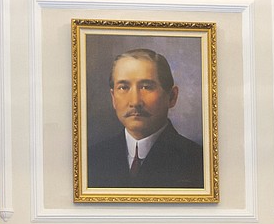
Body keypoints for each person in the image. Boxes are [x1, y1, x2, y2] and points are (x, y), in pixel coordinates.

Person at [87, 48, 204, 189]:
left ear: (172, 97)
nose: (135, 102)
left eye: (146, 87)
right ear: (113, 98)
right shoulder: (92, 158)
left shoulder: (197, 161)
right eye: (123, 87)